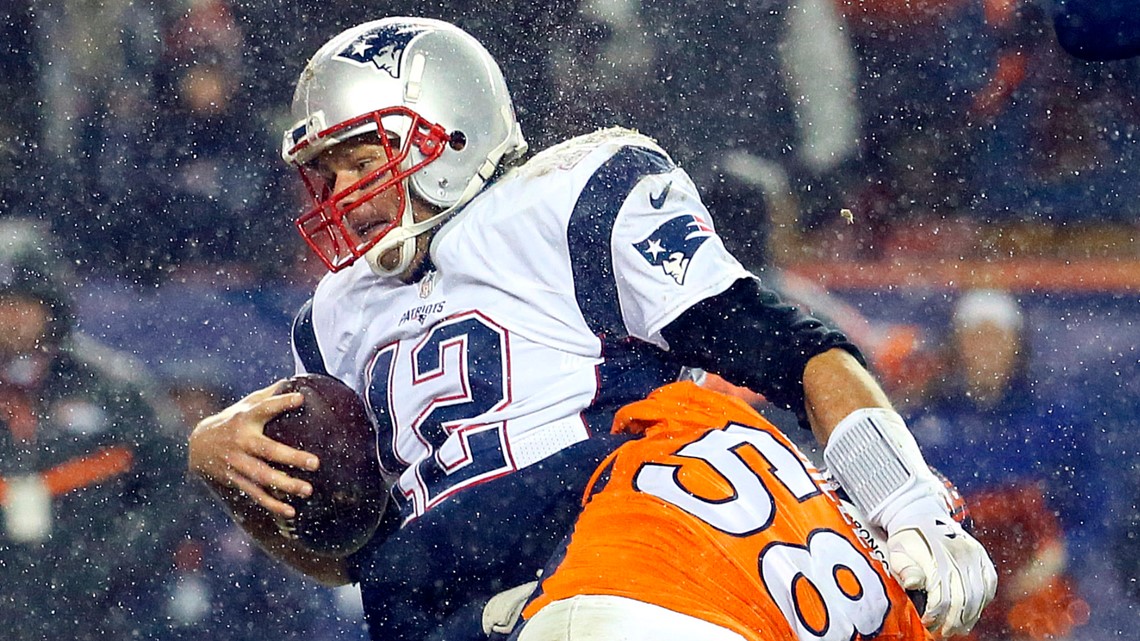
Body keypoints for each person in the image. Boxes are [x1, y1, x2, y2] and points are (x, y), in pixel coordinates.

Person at [187, 17, 996, 641]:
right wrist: (230, 473)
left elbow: (793, 349)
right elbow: (350, 555)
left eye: (362, 160)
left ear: (450, 131)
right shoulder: (333, 317)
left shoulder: (565, 200)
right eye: (324, 173)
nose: (341, 191)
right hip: (454, 603)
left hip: (618, 558)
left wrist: (909, 502)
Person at [512, 381, 938, 640]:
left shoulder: (721, 416)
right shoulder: (898, 611)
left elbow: (579, 469)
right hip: (711, 623)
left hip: (579, 600)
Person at [0, 219, 188, 640]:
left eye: (22, 303)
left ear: (51, 306)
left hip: (100, 615)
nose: (10, 319)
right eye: (1, 304)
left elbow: (171, 480)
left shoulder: (113, 387)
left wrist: (115, 556)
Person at [905, 289, 1092, 641]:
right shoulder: (923, 423)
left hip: (1038, 593)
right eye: (975, 336)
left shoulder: (1055, 419)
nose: (986, 348)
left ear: (1017, 345)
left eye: (997, 336)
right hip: (951, 589)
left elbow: (1093, 506)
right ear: (956, 345)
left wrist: (1058, 555)